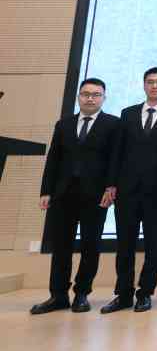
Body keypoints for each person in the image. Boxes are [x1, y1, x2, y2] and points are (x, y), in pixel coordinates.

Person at [31, 79, 120, 315]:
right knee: (61, 247)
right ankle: (58, 295)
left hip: (96, 196)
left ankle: (82, 294)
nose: (90, 98)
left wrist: (111, 187)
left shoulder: (113, 124)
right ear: (79, 97)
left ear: (104, 98)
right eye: (85, 94)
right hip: (63, 195)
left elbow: (115, 160)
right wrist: (46, 191)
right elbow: (53, 159)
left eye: (96, 94)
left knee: (90, 246)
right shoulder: (64, 124)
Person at [102, 66, 157, 314]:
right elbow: (117, 152)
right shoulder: (127, 114)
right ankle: (123, 294)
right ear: (144, 85)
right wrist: (111, 184)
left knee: (153, 245)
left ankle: (145, 293)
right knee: (124, 245)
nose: (155, 86)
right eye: (150, 81)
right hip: (126, 190)